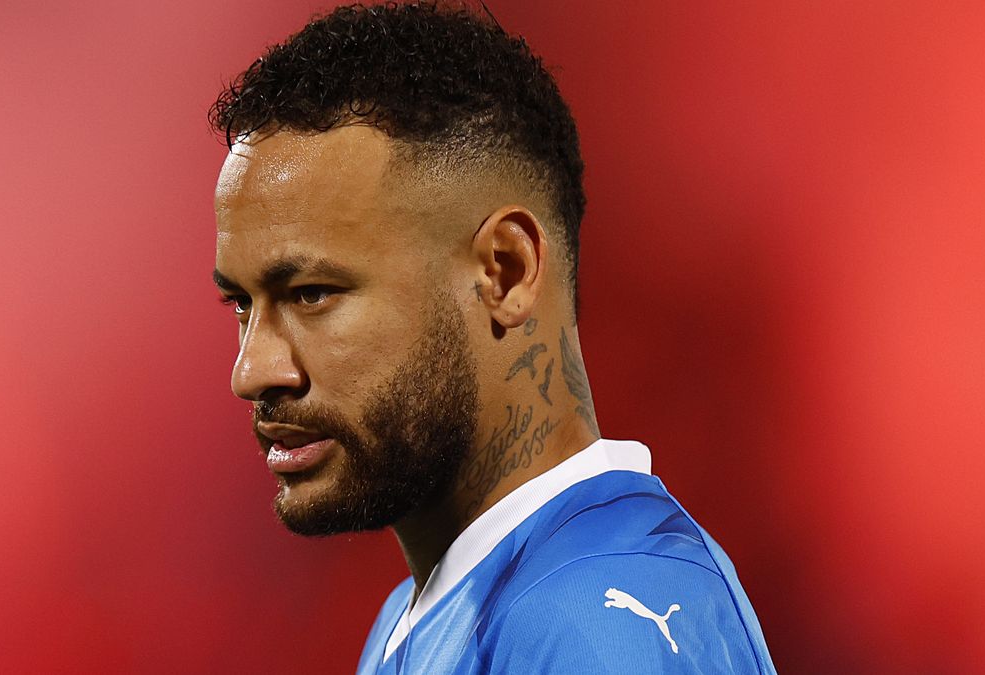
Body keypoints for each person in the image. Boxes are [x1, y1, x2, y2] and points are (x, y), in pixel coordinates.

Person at [209, 3, 776, 672]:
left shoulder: (604, 619)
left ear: (505, 271)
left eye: (312, 294)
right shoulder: (422, 612)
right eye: (242, 303)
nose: (253, 371)